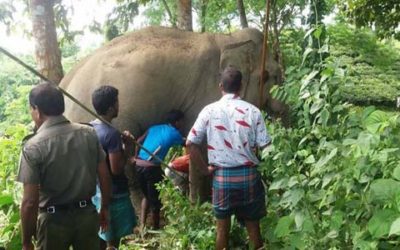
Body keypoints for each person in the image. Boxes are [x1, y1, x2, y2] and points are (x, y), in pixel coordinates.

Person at [17, 83, 111, 250]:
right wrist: (104, 207)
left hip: (53, 223)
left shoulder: (33, 147)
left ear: (37, 110)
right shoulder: (88, 133)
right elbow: (104, 175)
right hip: (87, 216)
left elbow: (30, 202)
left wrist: (26, 242)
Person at [186, 66, 271, 250]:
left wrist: (204, 170)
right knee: (253, 228)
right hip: (249, 177)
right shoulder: (253, 111)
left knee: (222, 231)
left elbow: (191, 143)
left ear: (220, 86)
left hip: (222, 178)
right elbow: (266, 146)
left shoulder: (209, 111)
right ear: (241, 86)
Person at [91, 85, 137, 250]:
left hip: (95, 191)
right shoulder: (111, 134)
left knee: (100, 237)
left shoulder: (91, 128)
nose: (119, 105)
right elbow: (116, 168)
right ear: (111, 108)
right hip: (113, 193)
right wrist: (128, 146)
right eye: (117, 102)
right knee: (112, 241)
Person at [135, 110, 185, 229]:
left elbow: (137, 141)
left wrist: (135, 157)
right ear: (177, 122)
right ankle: (156, 228)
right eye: (182, 121)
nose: (182, 124)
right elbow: (187, 143)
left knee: (146, 197)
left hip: (138, 165)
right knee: (155, 202)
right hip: (151, 168)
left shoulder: (153, 127)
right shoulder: (175, 134)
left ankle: (142, 225)